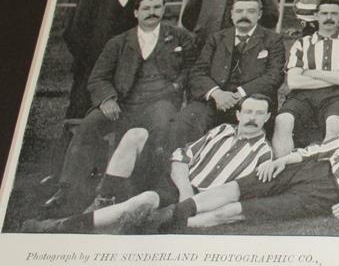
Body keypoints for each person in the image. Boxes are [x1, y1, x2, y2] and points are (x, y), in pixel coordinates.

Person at [22, 95, 275, 234]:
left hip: (196, 199)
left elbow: (237, 192)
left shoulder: (264, 155)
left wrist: (191, 200)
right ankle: (104, 201)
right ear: (239, 114)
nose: (252, 118)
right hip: (176, 181)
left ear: (267, 118)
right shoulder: (221, 130)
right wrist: (185, 189)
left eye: (259, 113)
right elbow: (181, 157)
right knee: (135, 135)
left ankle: (59, 227)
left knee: (143, 201)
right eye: (248, 112)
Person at [148, 101, 339, 230]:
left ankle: (178, 226)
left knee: (241, 209)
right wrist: (282, 160)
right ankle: (174, 213)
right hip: (308, 170)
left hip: (328, 194)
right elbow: (316, 151)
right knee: (240, 186)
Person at [45, 0, 195, 210]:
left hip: (160, 101)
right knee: (90, 124)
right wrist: (107, 99)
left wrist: (177, 84)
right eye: (146, 8)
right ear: (136, 12)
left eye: (156, 8)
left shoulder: (180, 38)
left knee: (163, 124)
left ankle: (147, 189)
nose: (152, 13)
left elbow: (193, 66)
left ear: (163, 10)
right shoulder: (119, 42)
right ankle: (69, 188)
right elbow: (98, 77)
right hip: (123, 103)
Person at [169, 0, 285, 150]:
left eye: (250, 11)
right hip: (214, 100)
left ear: (259, 15)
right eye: (239, 11)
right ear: (231, 14)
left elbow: (274, 76)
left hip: (250, 101)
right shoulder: (216, 38)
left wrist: (239, 94)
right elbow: (198, 72)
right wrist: (217, 94)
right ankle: (182, 166)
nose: (244, 16)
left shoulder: (272, 40)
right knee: (185, 121)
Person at [272, 0, 339, 157]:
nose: (329, 18)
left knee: (334, 124)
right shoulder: (302, 43)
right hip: (302, 96)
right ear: (316, 16)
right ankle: (284, 169)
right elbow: (293, 82)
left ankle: (323, 170)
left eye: (334, 14)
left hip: (338, 96)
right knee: (283, 120)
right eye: (324, 13)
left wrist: (310, 72)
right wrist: (336, 76)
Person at [62, 0, 149, 119]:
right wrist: (89, 59)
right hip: (90, 64)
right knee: (80, 113)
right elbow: (73, 33)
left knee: (123, 113)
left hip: (128, 65)